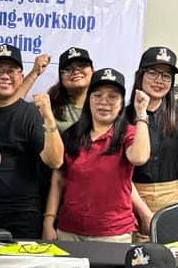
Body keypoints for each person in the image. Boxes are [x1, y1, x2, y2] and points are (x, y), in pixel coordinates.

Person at [42, 68, 151, 242]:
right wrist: (49, 221)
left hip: (113, 233)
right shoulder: (72, 134)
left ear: (122, 102)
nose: (104, 102)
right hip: (69, 231)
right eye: (97, 95)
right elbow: (58, 179)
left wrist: (141, 113)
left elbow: (139, 157)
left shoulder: (127, 134)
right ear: (89, 99)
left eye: (113, 96)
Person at [0, 43, 63, 239]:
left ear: (20, 76)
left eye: (11, 71)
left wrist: (49, 119)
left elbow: (55, 161)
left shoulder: (30, 114)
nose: (5, 76)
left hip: (22, 215)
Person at [131, 47, 178, 232]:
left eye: (166, 76)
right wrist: (143, 212)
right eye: (153, 73)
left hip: (175, 198)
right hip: (133, 199)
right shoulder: (123, 116)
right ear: (140, 75)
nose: (159, 80)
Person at [47, 47, 94, 133]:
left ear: (92, 70)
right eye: (68, 69)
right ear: (61, 78)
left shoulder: (106, 104)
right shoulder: (49, 106)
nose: (76, 72)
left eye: (81, 65)